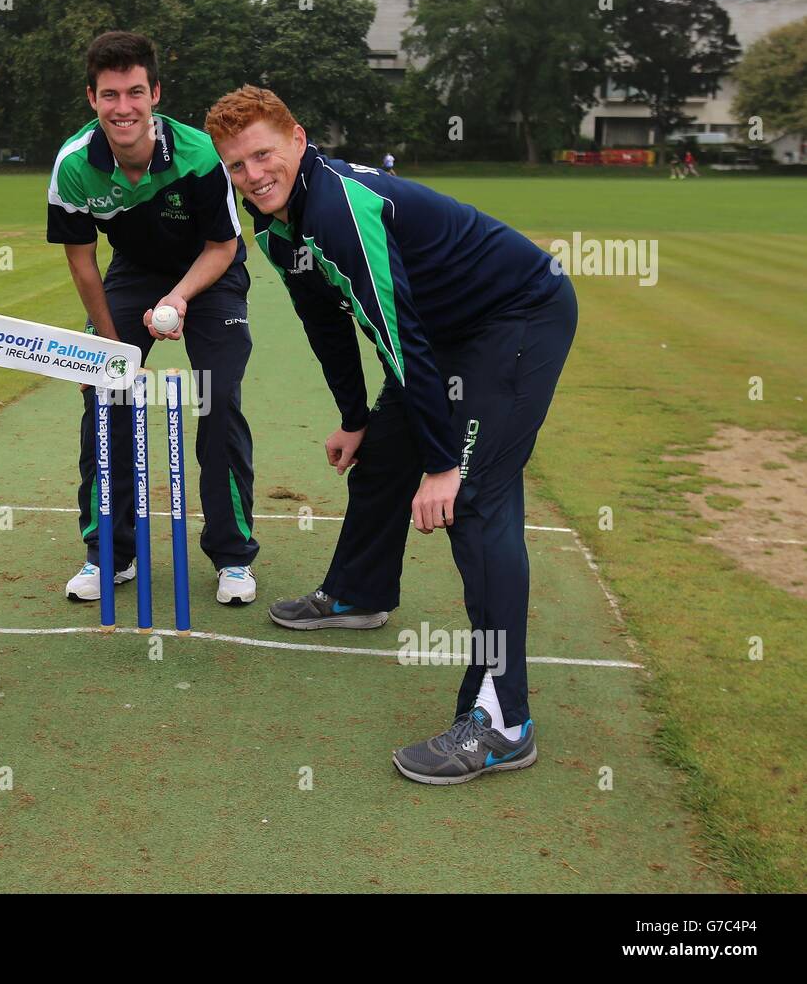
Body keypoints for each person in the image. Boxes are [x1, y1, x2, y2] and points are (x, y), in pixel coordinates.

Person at [205, 87, 577, 785]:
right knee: (378, 459)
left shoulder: (340, 207)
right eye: (236, 166)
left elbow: (394, 330)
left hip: (516, 317)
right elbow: (327, 322)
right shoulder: (277, 226)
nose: (253, 175)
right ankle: (359, 592)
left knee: (475, 499)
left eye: (262, 154)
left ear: (298, 138)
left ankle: (503, 723)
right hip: (450, 334)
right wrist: (355, 419)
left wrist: (442, 464)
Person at [47, 32, 260, 607]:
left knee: (217, 398)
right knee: (104, 394)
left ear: (155, 94)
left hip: (209, 274)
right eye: (110, 95)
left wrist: (181, 298)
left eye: (135, 93)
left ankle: (233, 555)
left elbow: (221, 246)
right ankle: (109, 554)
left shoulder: (198, 154)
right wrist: (112, 349)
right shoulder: (73, 166)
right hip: (133, 272)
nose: (124, 108)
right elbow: (83, 261)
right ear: (92, 99)